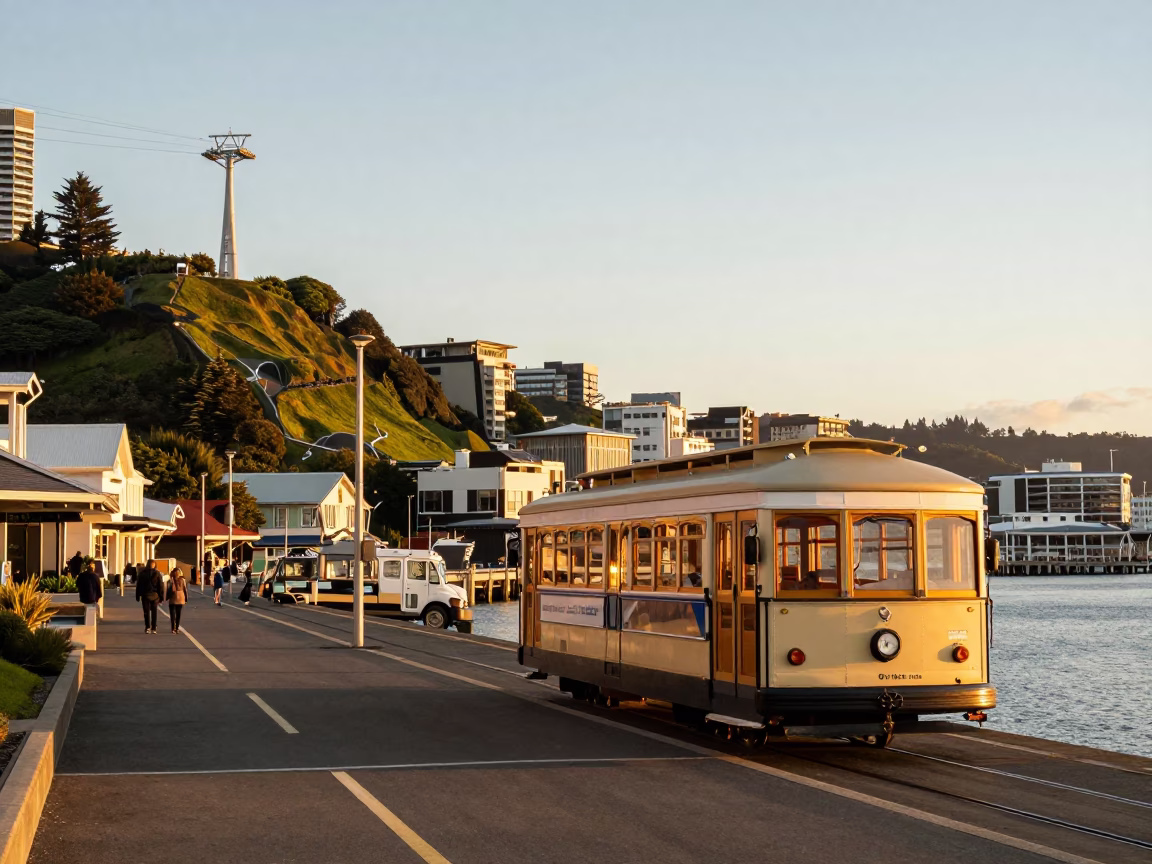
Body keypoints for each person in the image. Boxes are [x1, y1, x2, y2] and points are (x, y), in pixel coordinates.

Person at [135, 559, 163, 634]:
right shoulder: (157, 573)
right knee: (154, 612)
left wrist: (137, 595)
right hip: (155, 595)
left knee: (146, 612)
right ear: (154, 565)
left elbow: (139, 585)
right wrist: (161, 596)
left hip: (145, 595)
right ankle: (154, 627)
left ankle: (147, 627)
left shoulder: (142, 573)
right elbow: (160, 585)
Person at [167, 567, 188, 633]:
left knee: (172, 614)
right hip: (181, 597)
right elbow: (185, 590)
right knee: (178, 614)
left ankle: (173, 628)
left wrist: (166, 597)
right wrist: (186, 598)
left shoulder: (170, 580)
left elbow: (167, 590)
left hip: (173, 597)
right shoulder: (183, 580)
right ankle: (177, 628)